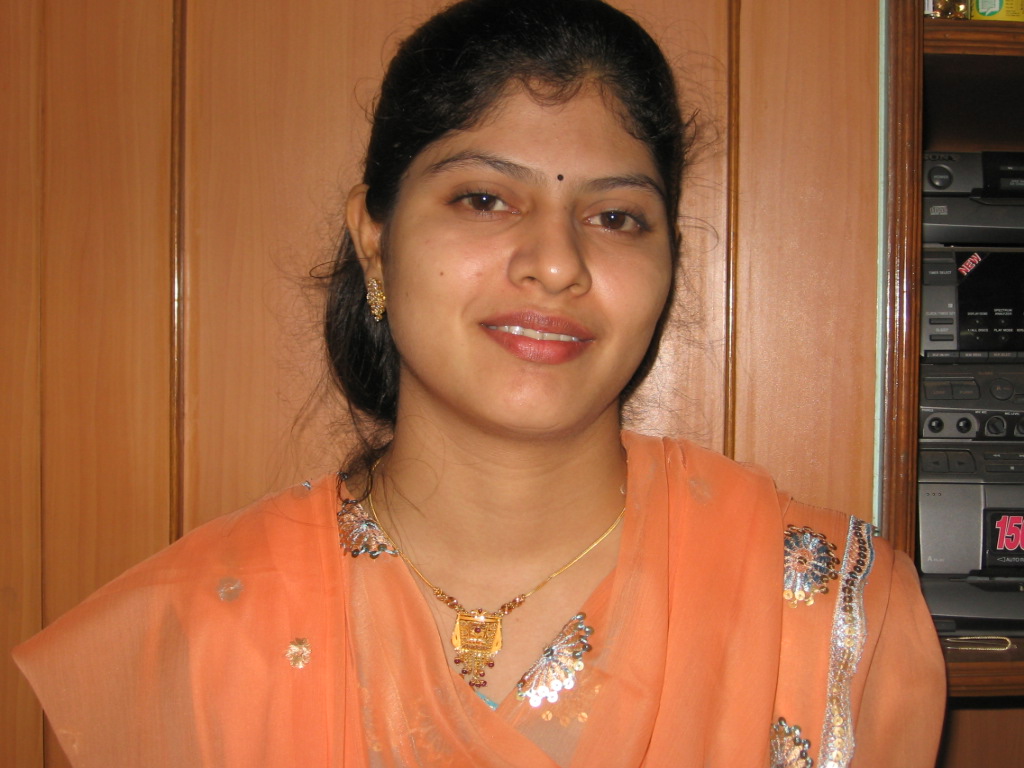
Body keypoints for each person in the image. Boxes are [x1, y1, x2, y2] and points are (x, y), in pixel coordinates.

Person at [14, 0, 945, 765]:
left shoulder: (832, 624)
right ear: (374, 238)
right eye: (485, 199)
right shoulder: (185, 645)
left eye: (617, 217)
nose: (556, 263)